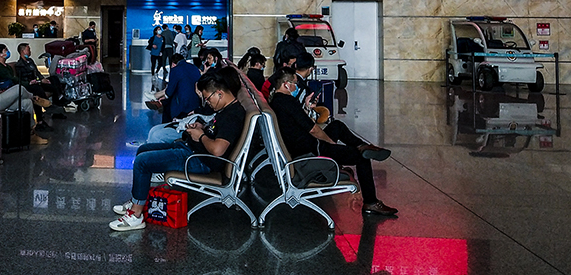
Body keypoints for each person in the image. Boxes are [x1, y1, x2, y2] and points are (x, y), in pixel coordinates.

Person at [110, 67, 246, 231]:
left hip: (199, 160)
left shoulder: (232, 116)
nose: (208, 103)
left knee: (142, 162)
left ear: (219, 93)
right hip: (193, 150)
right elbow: (216, 133)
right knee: (143, 150)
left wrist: (200, 136)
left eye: (208, 98)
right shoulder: (225, 109)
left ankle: (136, 215)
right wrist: (201, 127)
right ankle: (137, 200)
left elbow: (218, 150)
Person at [268, 68, 397, 216]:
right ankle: (371, 202)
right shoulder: (288, 102)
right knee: (361, 158)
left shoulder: (277, 101)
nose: (296, 87)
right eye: (294, 84)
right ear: (286, 84)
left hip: (304, 145)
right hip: (310, 152)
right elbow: (313, 130)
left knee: (337, 126)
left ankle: (362, 146)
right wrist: (331, 144)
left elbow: (298, 124)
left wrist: (306, 108)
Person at [145, 53, 201, 122]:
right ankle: (158, 100)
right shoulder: (194, 68)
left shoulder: (175, 70)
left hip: (183, 105)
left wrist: (164, 96)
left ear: (173, 64)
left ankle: (165, 121)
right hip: (196, 102)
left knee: (168, 104)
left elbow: (169, 92)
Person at [15, 42, 65, 108]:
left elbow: (37, 72)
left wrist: (42, 78)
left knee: (54, 78)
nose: (30, 52)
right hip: (31, 84)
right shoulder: (19, 65)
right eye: (28, 50)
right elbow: (26, 78)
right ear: (23, 51)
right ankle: (48, 106)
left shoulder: (30, 61)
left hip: (38, 81)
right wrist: (39, 81)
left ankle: (59, 98)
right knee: (38, 89)